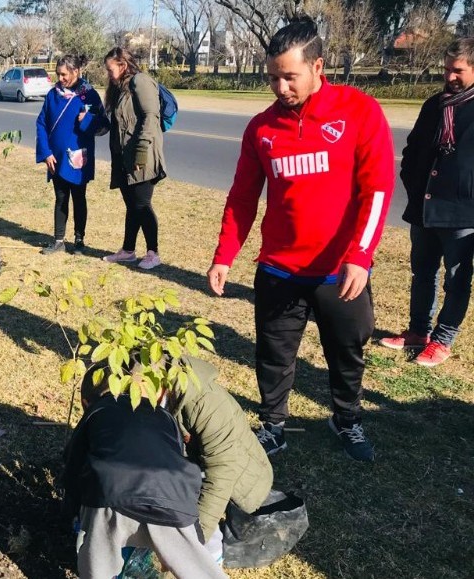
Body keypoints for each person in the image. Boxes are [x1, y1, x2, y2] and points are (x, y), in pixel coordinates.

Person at [206, 17, 394, 462]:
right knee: (274, 353)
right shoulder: (262, 129)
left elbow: (378, 190)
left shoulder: (358, 112)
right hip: (279, 267)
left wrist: (360, 256)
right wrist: (224, 256)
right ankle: (273, 425)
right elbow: (242, 197)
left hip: (338, 271)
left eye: (290, 76)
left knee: (347, 351)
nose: (280, 87)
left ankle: (346, 419)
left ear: (317, 66)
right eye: (273, 77)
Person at [80, 355, 273, 566]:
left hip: (230, 478)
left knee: (193, 530)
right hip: (179, 470)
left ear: (157, 386)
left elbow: (221, 477)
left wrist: (193, 543)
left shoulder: (205, 403)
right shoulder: (136, 388)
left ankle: (210, 557)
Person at [63, 385, 227, 579]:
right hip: (172, 498)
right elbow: (176, 454)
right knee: (198, 570)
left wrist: (72, 512)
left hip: (112, 493)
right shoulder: (165, 415)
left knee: (99, 566)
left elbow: (73, 467)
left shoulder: (96, 410)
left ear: (85, 402)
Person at [379, 39, 474, 368]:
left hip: (462, 214)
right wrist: (413, 182)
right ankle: (418, 331)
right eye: (446, 69)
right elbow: (413, 149)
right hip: (424, 207)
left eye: (457, 70)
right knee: (423, 272)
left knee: (457, 279)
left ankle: (442, 339)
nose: (449, 77)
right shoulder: (434, 105)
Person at [101, 47, 166, 270]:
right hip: (123, 157)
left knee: (142, 204)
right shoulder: (119, 89)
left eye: (110, 69)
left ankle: (153, 253)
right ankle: (128, 251)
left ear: (123, 65)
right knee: (132, 205)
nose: (108, 74)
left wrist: (140, 151)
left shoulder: (141, 81)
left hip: (142, 155)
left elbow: (151, 117)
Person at [36, 54, 108, 255]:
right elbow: (41, 123)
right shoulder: (52, 95)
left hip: (79, 158)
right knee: (60, 198)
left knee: (79, 197)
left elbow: (103, 126)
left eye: (64, 74)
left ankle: (79, 241)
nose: (60, 78)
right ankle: (58, 240)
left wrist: (88, 119)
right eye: (58, 74)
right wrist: (46, 153)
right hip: (56, 158)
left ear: (76, 72)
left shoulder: (89, 95)